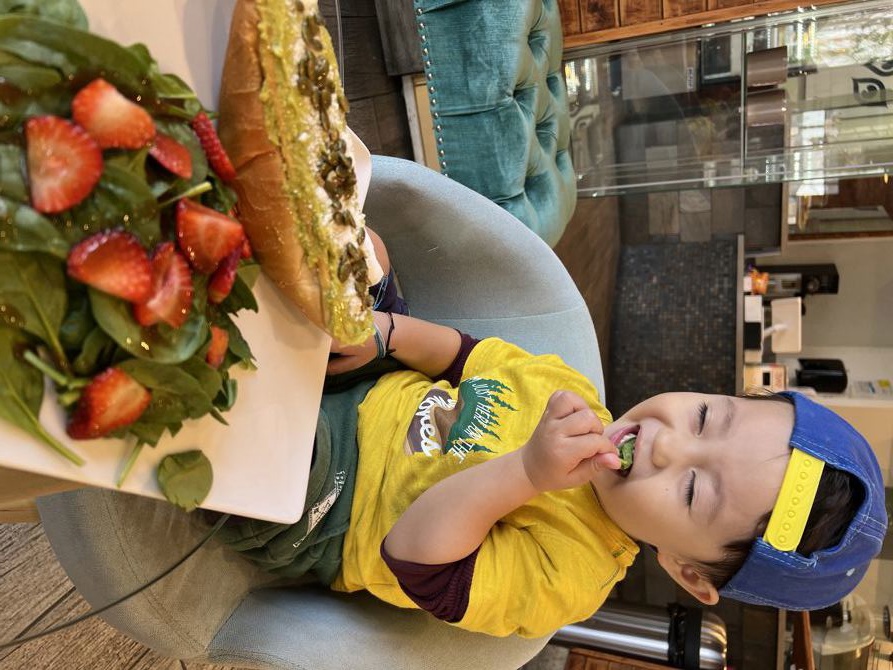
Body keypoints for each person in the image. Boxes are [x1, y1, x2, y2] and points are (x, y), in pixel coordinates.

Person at [218, 231, 886, 639]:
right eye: (706, 417)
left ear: (687, 572)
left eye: (690, 491)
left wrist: (525, 475)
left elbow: (416, 558)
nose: (665, 442)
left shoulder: (574, 574)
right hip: (377, 385)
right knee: (364, 258)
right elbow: (460, 356)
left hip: (330, 506)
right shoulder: (572, 391)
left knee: (247, 412)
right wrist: (385, 333)